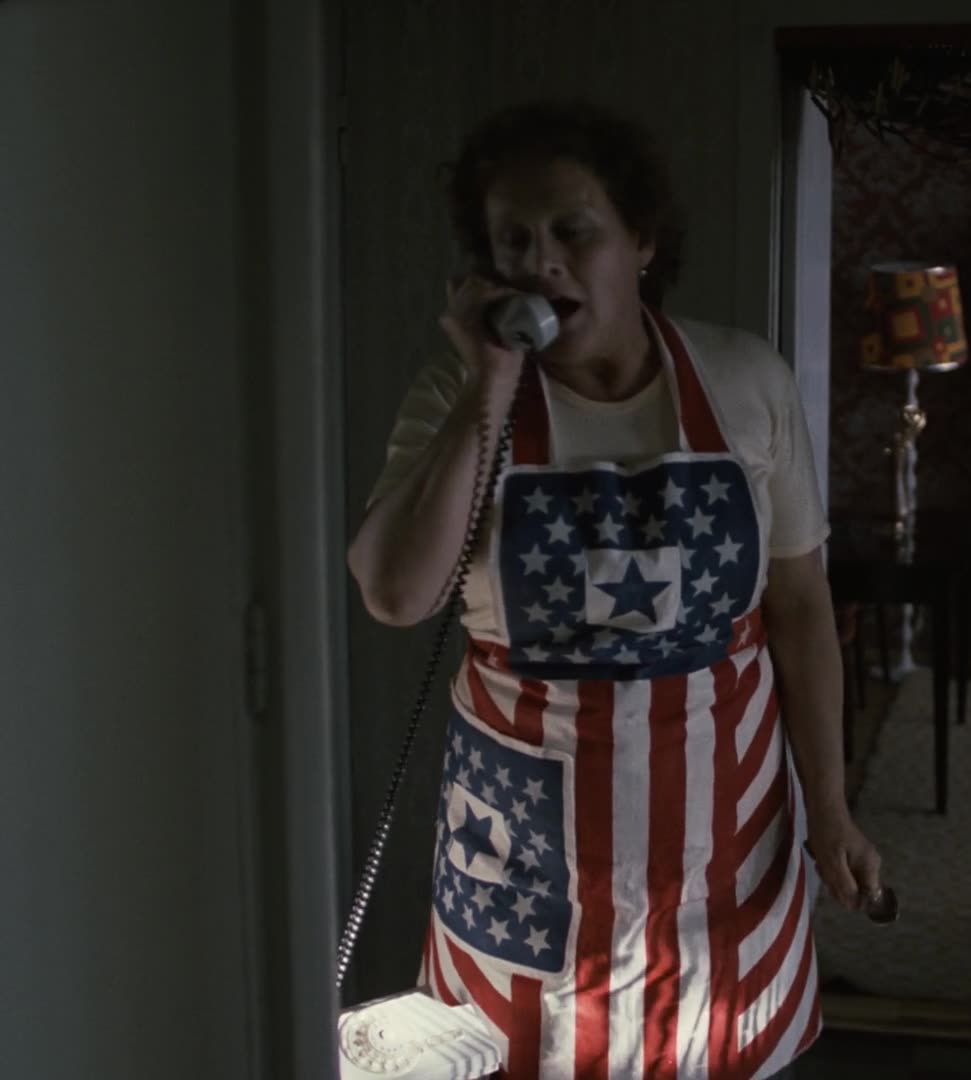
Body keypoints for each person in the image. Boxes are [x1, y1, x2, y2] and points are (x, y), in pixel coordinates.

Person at [347, 97, 882, 1080]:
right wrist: (487, 386)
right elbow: (394, 594)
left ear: (641, 241)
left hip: (723, 831)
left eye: (573, 232)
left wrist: (832, 806)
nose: (541, 263)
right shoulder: (455, 398)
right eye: (513, 242)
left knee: (716, 1050)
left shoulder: (746, 380)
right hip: (526, 858)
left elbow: (802, 608)